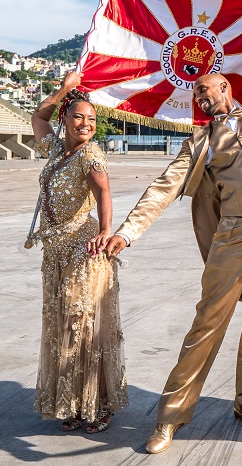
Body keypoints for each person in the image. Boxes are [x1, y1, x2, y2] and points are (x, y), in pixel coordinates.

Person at [104, 0, 242, 454]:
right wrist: (127, 231)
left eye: (208, 90)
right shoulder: (200, 141)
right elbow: (163, 187)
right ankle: (169, 417)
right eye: (198, 96)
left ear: (225, 87)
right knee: (208, 324)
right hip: (235, 236)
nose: (204, 99)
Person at [29, 72, 128, 434]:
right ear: (66, 120)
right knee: (61, 329)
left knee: (84, 329)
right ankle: (70, 402)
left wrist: (105, 230)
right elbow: (38, 117)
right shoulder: (56, 148)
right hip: (55, 252)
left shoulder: (91, 154)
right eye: (78, 117)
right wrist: (66, 89)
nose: (86, 123)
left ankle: (98, 403)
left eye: (92, 119)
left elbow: (104, 192)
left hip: (83, 251)